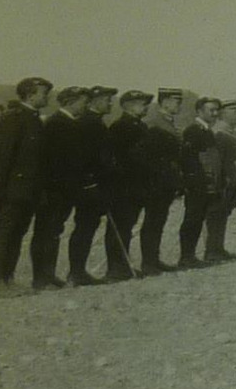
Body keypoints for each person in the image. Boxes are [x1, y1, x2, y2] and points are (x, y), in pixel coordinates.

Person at [0, 76, 52, 293]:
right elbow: (2, 159)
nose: (47, 97)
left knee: (17, 234)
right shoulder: (14, 119)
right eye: (44, 93)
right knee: (4, 233)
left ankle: (9, 279)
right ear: (31, 95)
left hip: (29, 191)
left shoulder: (35, 119)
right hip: (13, 190)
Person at [29, 85, 92, 290]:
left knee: (54, 231)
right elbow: (51, 161)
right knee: (46, 232)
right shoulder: (56, 123)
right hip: (54, 190)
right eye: (84, 101)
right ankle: (41, 278)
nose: (86, 105)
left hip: (66, 189)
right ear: (71, 102)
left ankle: (49, 275)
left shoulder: (71, 123)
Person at [65, 85, 117, 286]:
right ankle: (76, 272)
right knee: (84, 226)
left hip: (98, 184)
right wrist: (90, 183)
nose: (110, 103)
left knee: (89, 225)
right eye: (107, 99)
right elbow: (85, 157)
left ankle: (78, 271)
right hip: (90, 185)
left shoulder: (96, 122)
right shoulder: (88, 123)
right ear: (95, 101)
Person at [103, 89, 152, 281]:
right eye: (142, 103)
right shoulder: (121, 126)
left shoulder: (139, 125)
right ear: (128, 106)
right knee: (119, 226)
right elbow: (118, 158)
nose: (146, 107)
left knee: (127, 225)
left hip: (136, 185)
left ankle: (123, 264)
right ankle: (115, 267)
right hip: (124, 186)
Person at [138, 87, 184, 274]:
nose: (178, 105)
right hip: (155, 180)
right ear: (164, 102)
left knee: (159, 220)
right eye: (175, 101)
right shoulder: (153, 123)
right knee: (152, 221)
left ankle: (153, 259)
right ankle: (148, 262)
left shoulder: (169, 122)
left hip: (166, 180)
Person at [176, 96, 224, 268]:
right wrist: (194, 183)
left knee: (198, 218)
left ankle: (191, 255)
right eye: (211, 110)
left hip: (206, 183)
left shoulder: (206, 130)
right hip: (197, 184)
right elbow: (189, 159)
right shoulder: (193, 130)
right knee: (192, 219)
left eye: (217, 110)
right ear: (199, 111)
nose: (215, 113)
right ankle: (186, 256)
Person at [209, 100, 236, 259]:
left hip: (232, 180)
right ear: (223, 113)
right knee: (216, 215)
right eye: (234, 111)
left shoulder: (227, 131)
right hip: (225, 181)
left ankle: (218, 248)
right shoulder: (219, 132)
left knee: (222, 214)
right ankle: (212, 250)